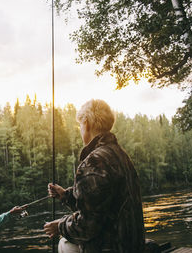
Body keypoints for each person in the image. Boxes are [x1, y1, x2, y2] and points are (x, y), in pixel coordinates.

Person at [43, 99, 145, 253]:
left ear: (87, 123)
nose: (80, 130)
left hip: (113, 248)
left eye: (80, 125)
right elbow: (102, 204)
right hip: (133, 245)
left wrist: (60, 226)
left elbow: (87, 226)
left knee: (64, 244)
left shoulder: (94, 161)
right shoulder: (120, 155)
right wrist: (65, 195)